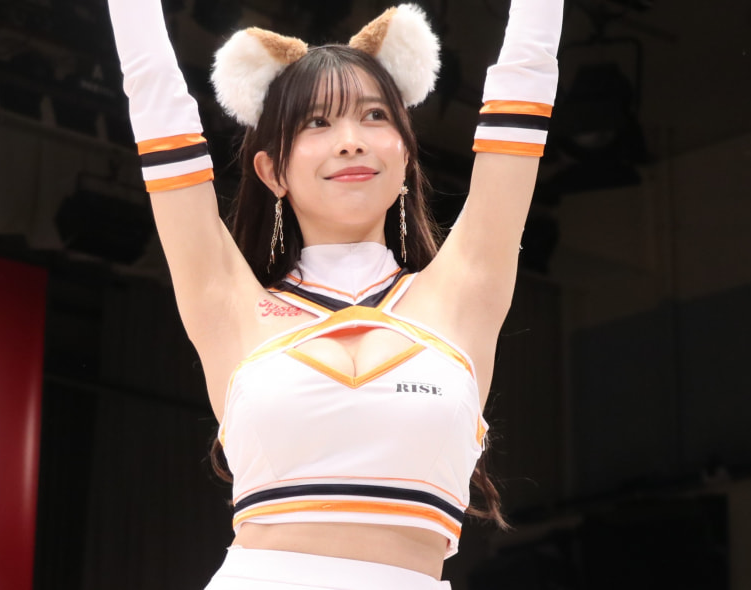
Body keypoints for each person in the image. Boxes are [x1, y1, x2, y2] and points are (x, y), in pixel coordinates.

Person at [107, 0, 562, 588]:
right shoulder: (228, 305)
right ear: (272, 171)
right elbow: (153, 94)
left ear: (405, 153)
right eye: (317, 123)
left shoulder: (465, 292)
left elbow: (526, 75)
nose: (350, 141)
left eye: (374, 116)